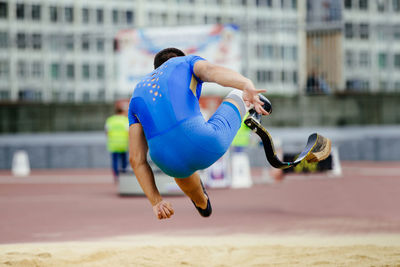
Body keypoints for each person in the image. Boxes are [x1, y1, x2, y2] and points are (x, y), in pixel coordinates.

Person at [128, 47, 270, 220]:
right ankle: (251, 105)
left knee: (181, 169)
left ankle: (201, 201)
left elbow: (136, 160)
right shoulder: (186, 62)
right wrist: (246, 84)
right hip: (204, 142)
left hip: (166, 163)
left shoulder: (137, 93)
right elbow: (212, 71)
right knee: (239, 91)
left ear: (155, 69)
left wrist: (156, 201)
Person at [105, 106, 129, 183]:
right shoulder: (125, 120)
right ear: (122, 112)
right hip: (123, 144)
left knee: (115, 161)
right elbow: (129, 132)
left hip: (113, 144)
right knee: (124, 161)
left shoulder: (110, 120)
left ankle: (116, 176)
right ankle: (124, 175)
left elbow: (107, 132)